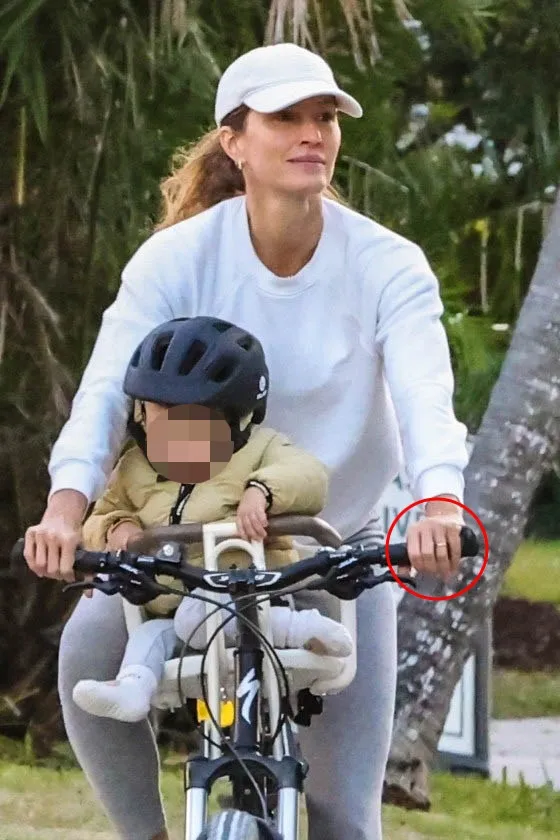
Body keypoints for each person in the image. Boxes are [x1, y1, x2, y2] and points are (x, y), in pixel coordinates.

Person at [24, 41, 469, 840]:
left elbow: (426, 396)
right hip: (188, 538)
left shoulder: (387, 265)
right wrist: (66, 510)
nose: (313, 133)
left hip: (339, 542)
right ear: (234, 140)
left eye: (325, 116)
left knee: (343, 817)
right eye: (286, 117)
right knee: (90, 645)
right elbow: (101, 396)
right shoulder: (179, 258)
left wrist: (438, 503)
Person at [71, 315, 352, 723]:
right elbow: (102, 513)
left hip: (251, 596)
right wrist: (116, 528)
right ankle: (131, 688)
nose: (168, 427)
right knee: (151, 636)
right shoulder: (134, 467)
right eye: (156, 410)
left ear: (232, 417)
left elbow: (310, 477)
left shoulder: (261, 449)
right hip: (175, 610)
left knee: (195, 616)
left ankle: (291, 626)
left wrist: (262, 491)